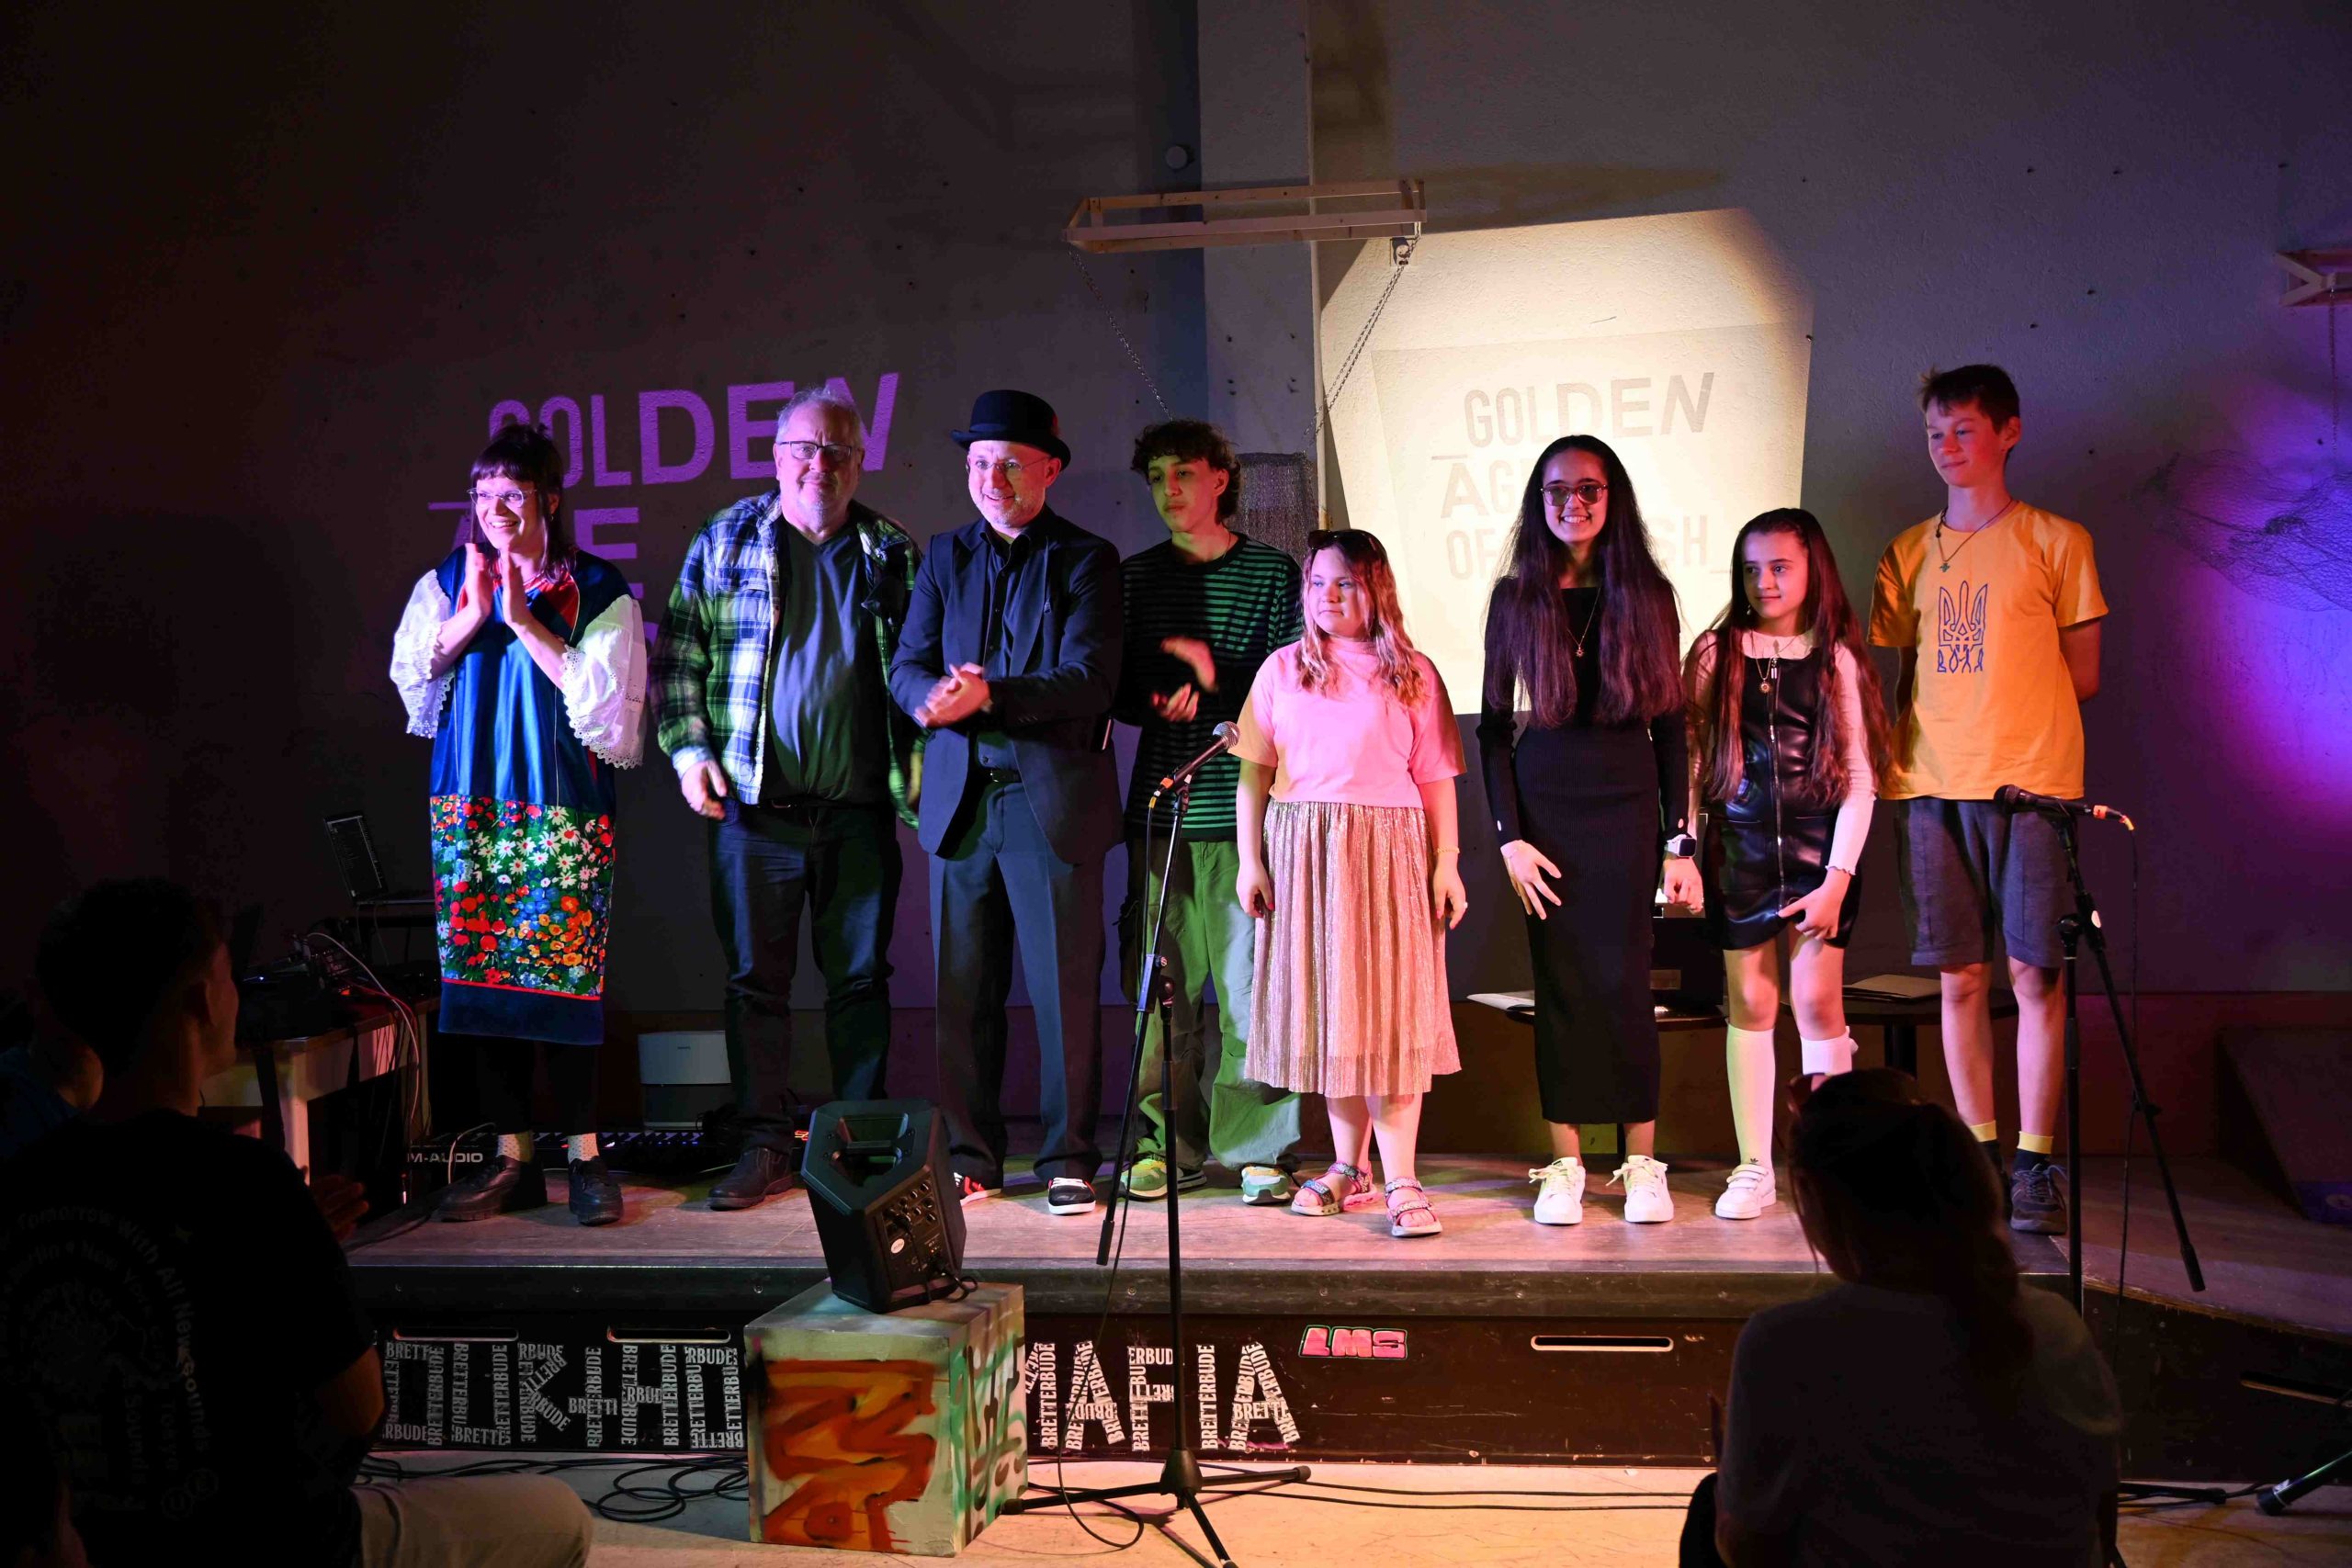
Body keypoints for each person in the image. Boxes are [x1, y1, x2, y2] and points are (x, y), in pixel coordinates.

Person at [0, 880, 594, 1568]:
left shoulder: (22, 1182)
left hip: (101, 1544)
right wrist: (298, 1259)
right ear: (202, 1002)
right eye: (229, 977)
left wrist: (289, 1254)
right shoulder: (245, 1180)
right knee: (561, 1517)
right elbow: (357, 1411)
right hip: (274, 1540)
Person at [652, 386, 922, 1211]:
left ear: (860, 463)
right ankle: (764, 1144)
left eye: (838, 450)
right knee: (754, 985)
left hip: (856, 812)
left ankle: (858, 1146)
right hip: (753, 813)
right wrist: (689, 753)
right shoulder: (725, 538)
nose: (819, 465)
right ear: (776, 458)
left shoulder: (891, 551)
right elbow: (678, 657)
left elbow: (919, 673)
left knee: (860, 984)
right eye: (804, 448)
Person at [1690, 1069, 2120, 1566]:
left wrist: (1734, 1461)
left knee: (1710, 1507)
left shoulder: (1788, 1343)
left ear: (1813, 1197)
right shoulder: (2056, 1324)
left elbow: (1746, 1550)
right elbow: (2100, 1519)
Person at [390, 422, 646, 1227]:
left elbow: (608, 708)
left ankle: (586, 1157)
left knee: (562, 980)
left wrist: (523, 619)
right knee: (484, 983)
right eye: (483, 493)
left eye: (512, 493)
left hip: (559, 802)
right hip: (470, 803)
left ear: (550, 499)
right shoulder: (447, 580)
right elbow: (412, 671)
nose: (495, 508)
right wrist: (474, 613)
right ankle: (514, 1160)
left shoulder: (594, 587)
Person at [1868, 365, 2105, 1235]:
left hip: (2032, 786)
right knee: (1958, 976)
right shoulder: (1905, 551)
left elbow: (2083, 674)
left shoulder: (2056, 540)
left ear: (2009, 431)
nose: (1947, 447)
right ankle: (1978, 1158)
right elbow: (1903, 672)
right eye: (1935, 433)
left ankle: (2036, 1164)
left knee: (2035, 973)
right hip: (1931, 784)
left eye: (1964, 429)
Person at [888, 389, 1123, 1216]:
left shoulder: (1087, 558)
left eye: (1011, 464)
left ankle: (1068, 1158)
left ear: (1050, 470)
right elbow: (907, 663)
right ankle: (972, 1156)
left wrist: (990, 694)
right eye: (980, 463)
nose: (992, 479)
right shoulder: (945, 553)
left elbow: (1090, 680)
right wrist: (928, 699)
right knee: (962, 992)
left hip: (1046, 799)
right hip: (961, 802)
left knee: (1063, 993)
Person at [1479, 435, 1699, 1228]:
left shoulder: (1649, 594)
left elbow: (1672, 727)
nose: (1572, 503)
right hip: (1545, 818)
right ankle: (1566, 1166)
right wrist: (1508, 837)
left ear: (1613, 498)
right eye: (1557, 490)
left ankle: (1641, 1164)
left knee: (1627, 986)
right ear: (1538, 500)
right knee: (1563, 987)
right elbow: (1493, 730)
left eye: (1589, 489)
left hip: (1629, 809)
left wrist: (1679, 841)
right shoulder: (1516, 598)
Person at [1234, 529, 1466, 1239]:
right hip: (1304, 853)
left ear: (1376, 589)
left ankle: (1402, 1176)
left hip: (1389, 851)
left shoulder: (1414, 673)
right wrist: (1249, 860)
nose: (1329, 596)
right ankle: (1348, 1165)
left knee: (1390, 1011)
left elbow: (1436, 776)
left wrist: (1447, 861)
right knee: (1336, 1010)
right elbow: (1253, 772)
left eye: (1346, 583)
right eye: (1318, 583)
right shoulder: (1282, 669)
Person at [1113, 418, 1306, 1206]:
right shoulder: (1134, 577)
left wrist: (1212, 674)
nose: (1169, 490)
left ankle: (1257, 1147)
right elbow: (1112, 686)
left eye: (1184, 473)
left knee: (1251, 991)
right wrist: (1157, 695)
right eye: (1157, 476)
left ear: (1221, 479)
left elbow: (1293, 681)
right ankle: (1165, 1145)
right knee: (1162, 995)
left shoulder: (1271, 571)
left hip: (1242, 818)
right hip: (1161, 813)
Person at [1684, 509, 1890, 1220]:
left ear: (1811, 570)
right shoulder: (1715, 652)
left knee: (1817, 1004)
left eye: (1779, 566)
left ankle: (1832, 1167)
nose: (1764, 581)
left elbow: (1860, 779)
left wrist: (1837, 879)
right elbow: (1692, 759)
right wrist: (1682, 848)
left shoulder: (1835, 656)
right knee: (1751, 1003)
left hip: (1817, 856)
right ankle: (1754, 1168)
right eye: (1751, 569)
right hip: (1739, 851)